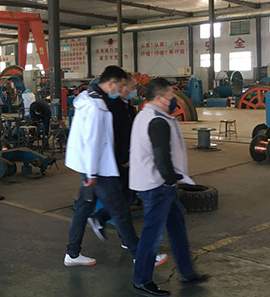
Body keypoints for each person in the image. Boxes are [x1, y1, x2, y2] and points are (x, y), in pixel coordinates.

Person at [63, 66, 166, 268]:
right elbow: (92, 141)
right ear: (112, 83)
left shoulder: (91, 99)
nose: (122, 89)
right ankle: (141, 256)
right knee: (119, 211)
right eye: (122, 85)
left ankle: (72, 254)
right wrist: (92, 173)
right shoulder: (95, 106)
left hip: (91, 167)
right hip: (98, 169)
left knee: (84, 209)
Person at [130, 78, 208, 296]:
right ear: (159, 98)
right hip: (157, 185)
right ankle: (141, 281)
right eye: (171, 96)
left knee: (176, 227)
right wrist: (170, 180)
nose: (174, 99)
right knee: (152, 235)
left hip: (158, 184)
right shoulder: (157, 121)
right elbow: (161, 157)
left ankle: (187, 272)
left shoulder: (146, 115)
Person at [88, 73, 137, 241]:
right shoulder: (113, 108)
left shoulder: (127, 107)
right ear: (122, 87)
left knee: (126, 198)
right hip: (119, 161)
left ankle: (102, 220)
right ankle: (102, 219)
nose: (134, 90)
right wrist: (123, 159)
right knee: (122, 200)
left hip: (127, 158)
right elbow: (114, 137)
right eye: (131, 86)